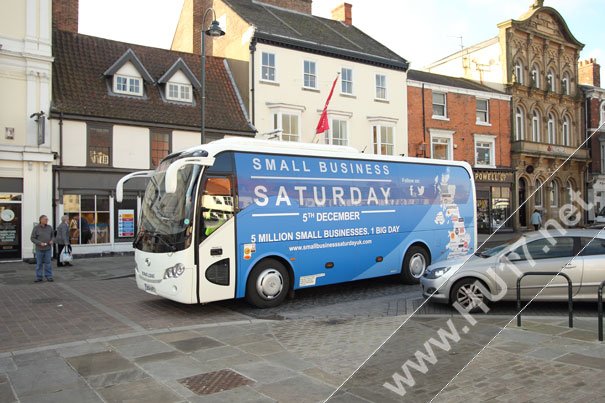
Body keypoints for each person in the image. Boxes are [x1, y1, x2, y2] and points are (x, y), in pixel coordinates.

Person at [30, 215, 54, 282]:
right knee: (39, 263)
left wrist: (52, 240)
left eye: (47, 219)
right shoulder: (36, 228)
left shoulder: (49, 227)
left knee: (48, 263)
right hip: (39, 249)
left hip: (48, 248)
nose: (47, 220)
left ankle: (49, 276)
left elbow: (53, 236)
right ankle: (39, 277)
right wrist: (39, 243)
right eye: (45, 219)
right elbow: (32, 238)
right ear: (41, 220)